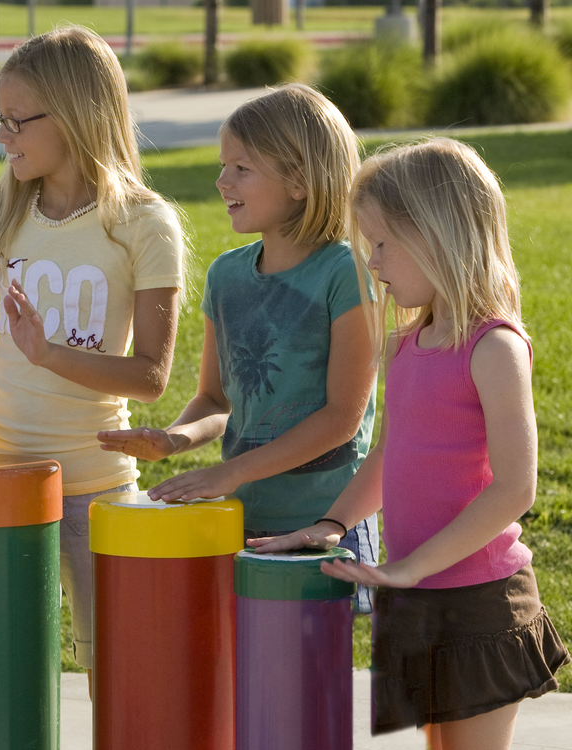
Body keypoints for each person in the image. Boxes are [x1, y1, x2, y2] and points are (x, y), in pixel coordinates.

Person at [252, 138, 569, 750]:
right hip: (420, 601)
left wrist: (409, 567)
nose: (376, 262)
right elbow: (386, 464)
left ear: (442, 232)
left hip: (480, 606)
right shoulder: (408, 345)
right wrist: (327, 525)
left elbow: (515, 488)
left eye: (386, 243)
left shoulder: (493, 347)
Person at [0, 24, 186, 680]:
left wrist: (48, 353)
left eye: (17, 120)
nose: (3, 137)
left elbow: (151, 377)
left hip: (99, 491)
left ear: (79, 114)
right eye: (0, 117)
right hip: (4, 489)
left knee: (119, 683)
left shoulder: (144, 223)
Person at [97, 84, 379, 585]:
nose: (222, 180)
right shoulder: (226, 276)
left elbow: (342, 418)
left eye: (242, 168)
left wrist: (229, 472)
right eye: (223, 165)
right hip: (242, 518)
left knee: (312, 661)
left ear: (299, 181)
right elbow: (213, 399)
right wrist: (172, 439)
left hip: (329, 520)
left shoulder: (347, 272)